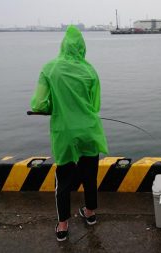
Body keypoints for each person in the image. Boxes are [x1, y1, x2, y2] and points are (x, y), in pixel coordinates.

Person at [30, 25, 108, 242]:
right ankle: (90, 214)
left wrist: (53, 107)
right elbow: (95, 105)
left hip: (64, 135)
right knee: (90, 176)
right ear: (83, 48)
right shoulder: (90, 70)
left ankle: (63, 225)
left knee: (63, 181)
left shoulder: (49, 69)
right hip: (89, 132)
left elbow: (38, 104)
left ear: (62, 46)